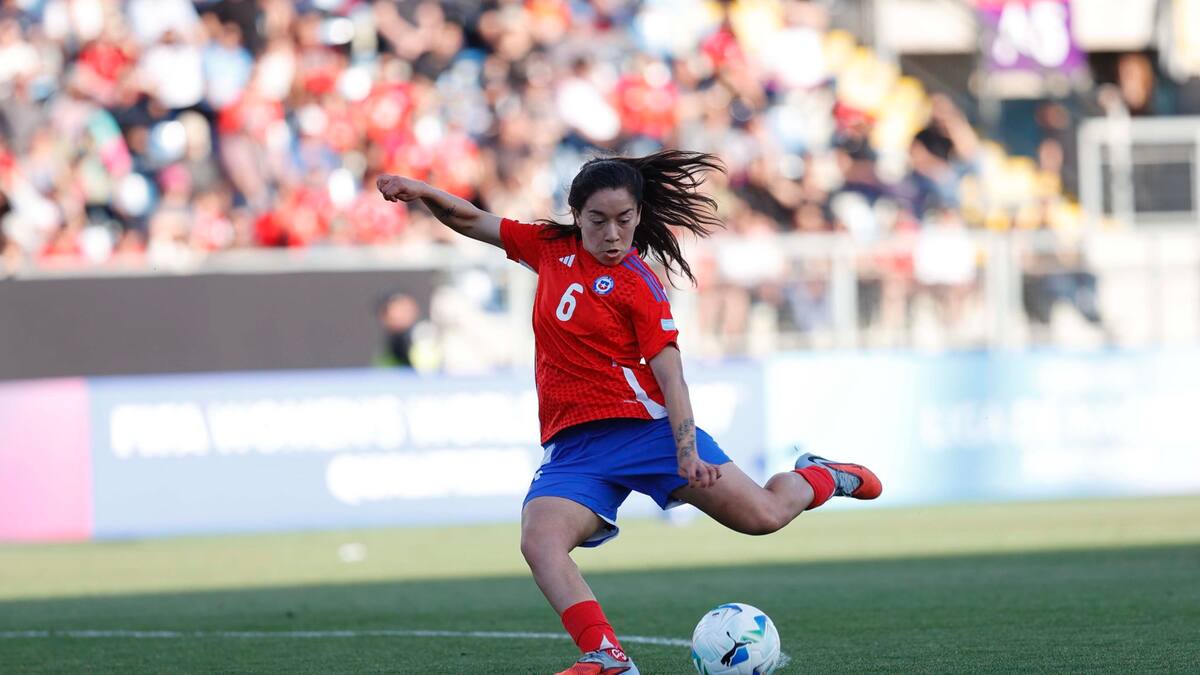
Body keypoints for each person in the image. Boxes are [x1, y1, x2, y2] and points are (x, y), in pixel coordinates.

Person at [377, 150, 882, 675]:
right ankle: (607, 657)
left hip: (649, 432)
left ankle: (820, 476)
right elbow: (470, 219)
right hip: (575, 448)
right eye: (598, 220)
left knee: (763, 517)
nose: (613, 234)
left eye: (624, 220)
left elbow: (671, 376)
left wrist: (686, 451)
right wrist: (423, 190)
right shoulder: (550, 249)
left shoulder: (640, 284)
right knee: (539, 540)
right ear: (576, 216)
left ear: (638, 216)